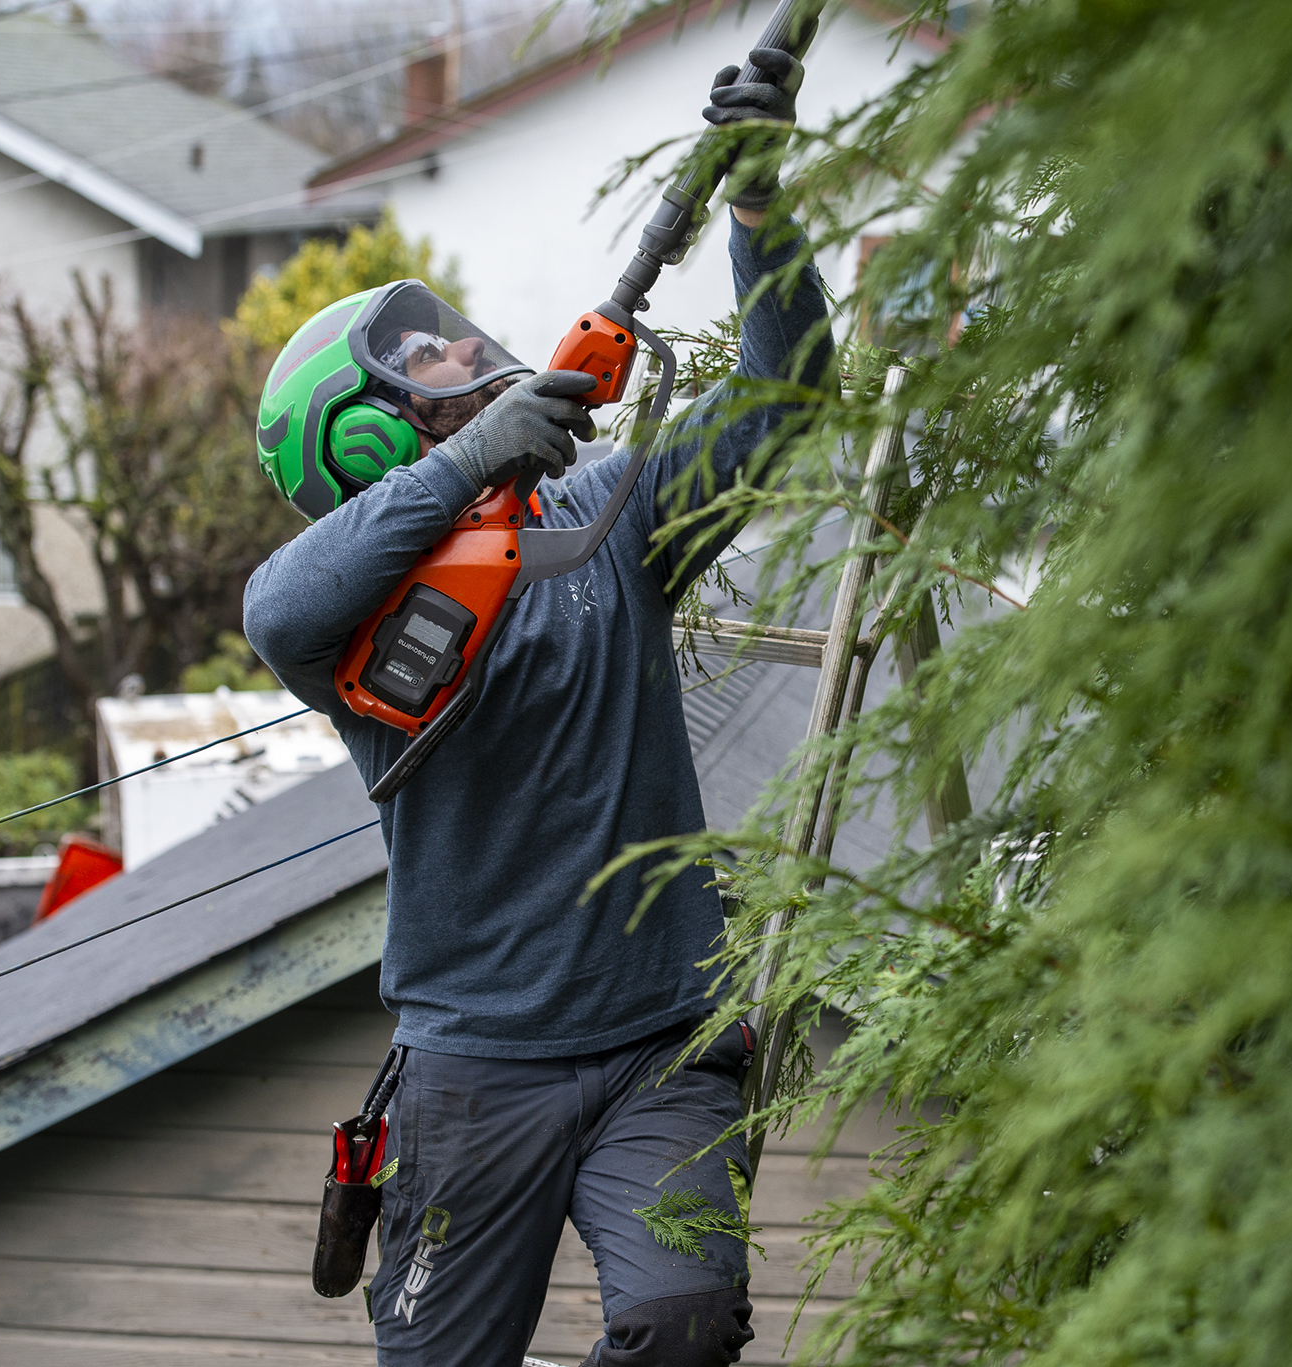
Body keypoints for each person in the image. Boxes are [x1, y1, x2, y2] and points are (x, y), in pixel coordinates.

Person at [243, 49, 829, 1367]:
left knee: (683, 1323)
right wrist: (464, 470)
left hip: (658, 1047)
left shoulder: (607, 515)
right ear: (371, 438)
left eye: (441, 324)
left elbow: (788, 392)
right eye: (423, 352)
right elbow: (272, 609)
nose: (463, 340)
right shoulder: (353, 629)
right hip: (473, 1077)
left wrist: (757, 204)